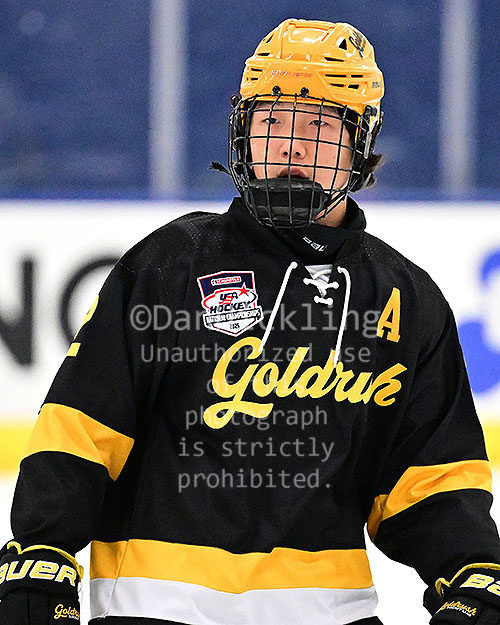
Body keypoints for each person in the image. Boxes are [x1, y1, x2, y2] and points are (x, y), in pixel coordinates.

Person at [1, 17, 500, 625]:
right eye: (272, 122)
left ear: (361, 146)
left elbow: (430, 476)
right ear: (243, 133)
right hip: (157, 612)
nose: (290, 147)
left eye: (318, 127)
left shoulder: (405, 299)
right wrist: (41, 550)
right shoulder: (170, 266)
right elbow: (83, 426)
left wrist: (471, 569)